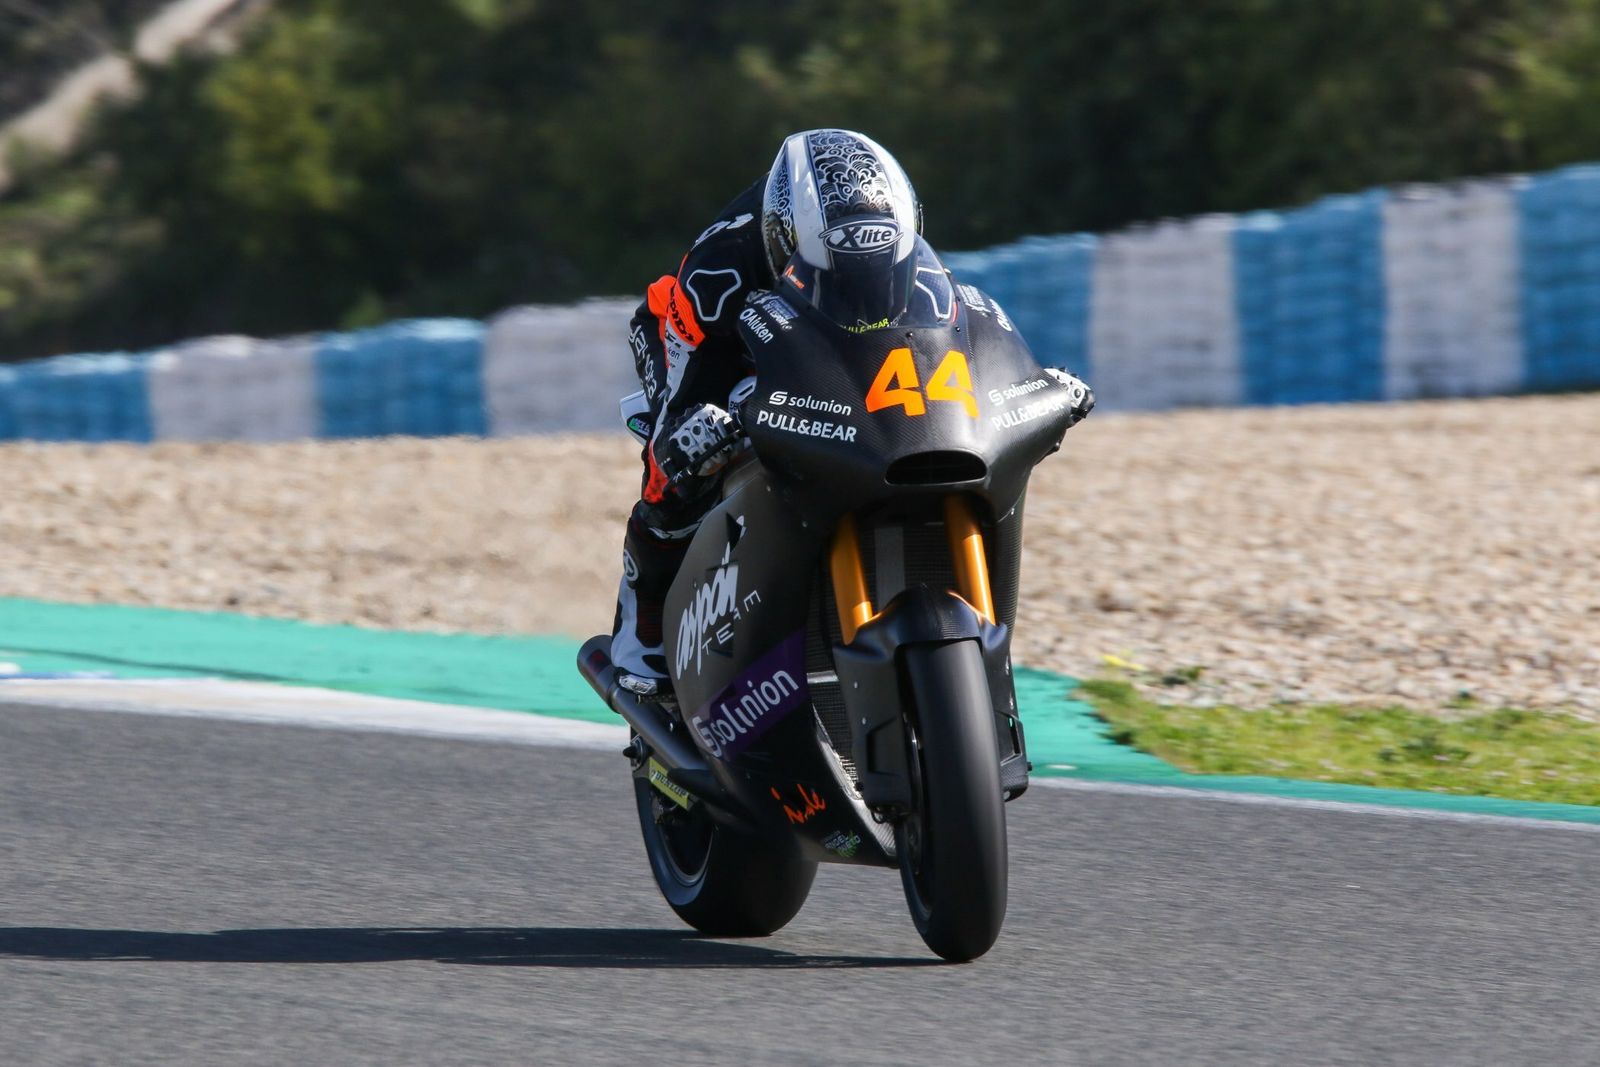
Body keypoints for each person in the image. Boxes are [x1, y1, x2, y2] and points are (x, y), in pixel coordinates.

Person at [609, 128, 1093, 704]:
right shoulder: (716, 276)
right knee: (677, 466)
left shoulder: (909, 254)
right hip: (703, 342)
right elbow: (690, 388)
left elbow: (947, 340)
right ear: (781, 240)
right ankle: (641, 627)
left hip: (819, 335)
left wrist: (1030, 385)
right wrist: (692, 434)